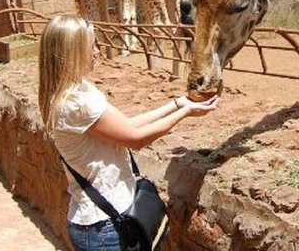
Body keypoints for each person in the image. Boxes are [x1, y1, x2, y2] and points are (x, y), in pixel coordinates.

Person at [38, 15, 218, 251]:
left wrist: (178, 104)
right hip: (104, 228)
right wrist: (184, 114)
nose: (98, 51)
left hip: (102, 222)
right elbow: (136, 139)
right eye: (92, 46)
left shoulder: (75, 91)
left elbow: (128, 125)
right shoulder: (77, 102)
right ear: (73, 52)